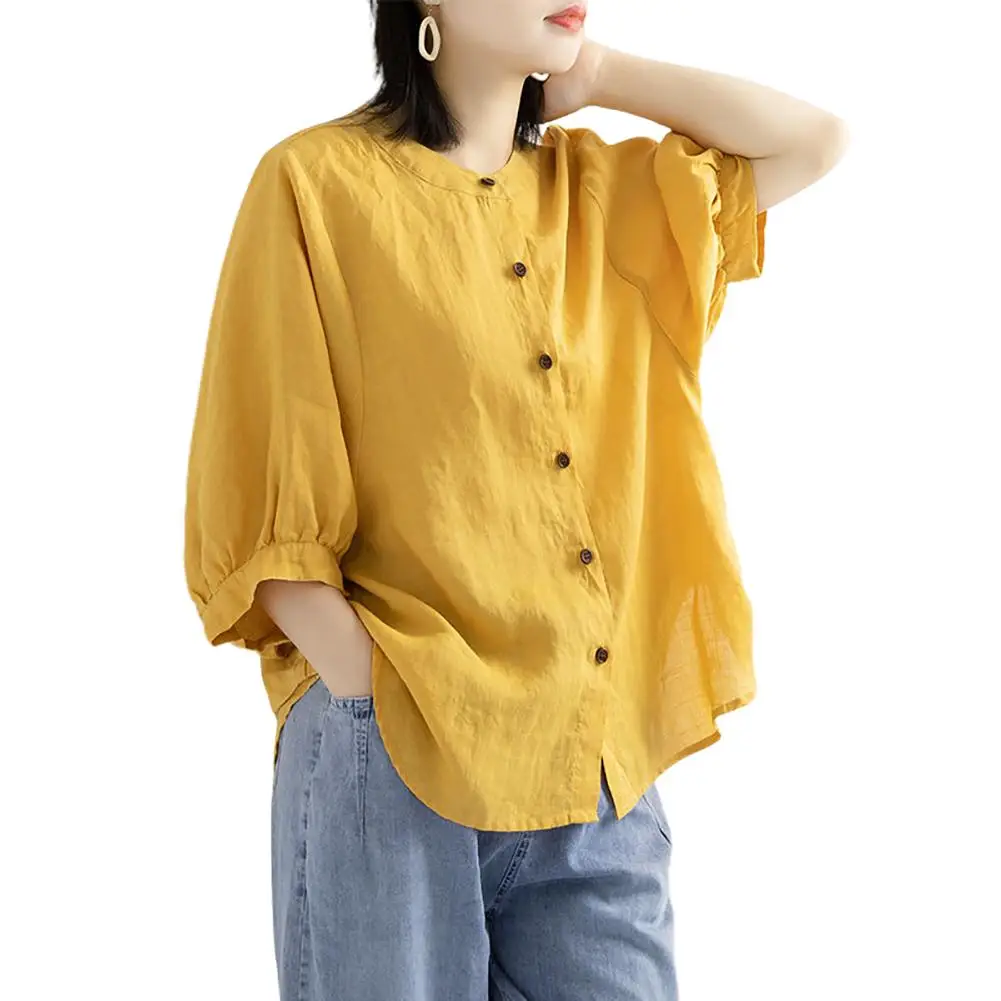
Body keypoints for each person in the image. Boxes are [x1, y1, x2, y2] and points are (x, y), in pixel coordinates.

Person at [183, 1, 849, 997]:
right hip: (398, 751)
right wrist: (366, 688)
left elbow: (812, 140)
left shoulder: (606, 198)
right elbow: (258, 495)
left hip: (593, 770)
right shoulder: (316, 185)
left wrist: (603, 72)